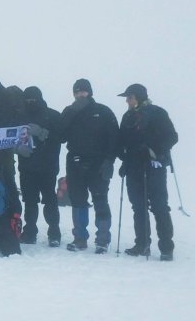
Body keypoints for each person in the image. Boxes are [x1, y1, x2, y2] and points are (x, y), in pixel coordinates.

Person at [117, 84, 178, 261]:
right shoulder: (127, 116)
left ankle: (166, 248)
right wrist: (124, 159)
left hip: (154, 166)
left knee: (159, 206)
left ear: (139, 97)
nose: (127, 101)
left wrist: (152, 150)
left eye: (130, 97)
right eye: (127, 98)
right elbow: (122, 140)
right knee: (138, 207)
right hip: (134, 168)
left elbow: (172, 137)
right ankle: (142, 244)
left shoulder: (158, 113)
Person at [58, 78, 118, 254]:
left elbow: (114, 139)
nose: (80, 95)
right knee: (77, 201)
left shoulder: (103, 111)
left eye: (83, 91)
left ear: (90, 92)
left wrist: (109, 161)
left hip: (98, 163)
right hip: (75, 161)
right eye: (76, 92)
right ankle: (80, 238)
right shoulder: (70, 111)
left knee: (100, 199)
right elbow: (60, 136)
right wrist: (69, 113)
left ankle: (102, 240)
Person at [17, 86, 62, 247]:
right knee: (29, 201)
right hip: (27, 166)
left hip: (48, 167)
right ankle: (30, 232)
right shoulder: (20, 116)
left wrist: (43, 132)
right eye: (27, 99)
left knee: (50, 200)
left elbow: (62, 137)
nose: (30, 102)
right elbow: (11, 137)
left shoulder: (53, 116)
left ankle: (54, 233)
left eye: (33, 99)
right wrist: (17, 149)